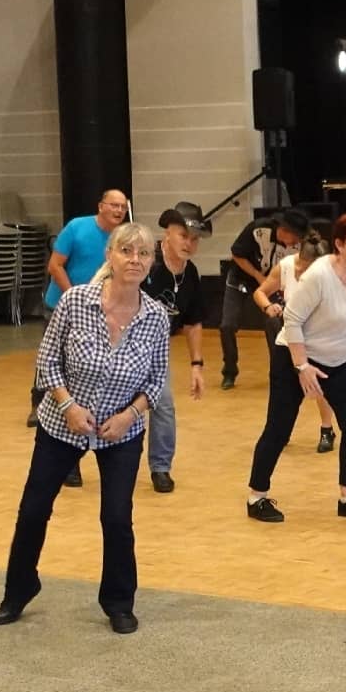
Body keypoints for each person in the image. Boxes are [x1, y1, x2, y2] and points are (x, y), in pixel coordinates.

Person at [0, 222, 168, 635]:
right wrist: (68, 405)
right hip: (63, 424)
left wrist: (130, 415)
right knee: (34, 510)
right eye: (126, 251)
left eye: (143, 254)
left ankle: (118, 601)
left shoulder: (156, 316)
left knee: (116, 517)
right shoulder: (76, 301)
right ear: (109, 255)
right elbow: (47, 361)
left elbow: (157, 379)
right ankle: (18, 591)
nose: (135, 260)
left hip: (120, 431)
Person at [244, 214, 346, 524]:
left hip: (338, 359)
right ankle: (256, 497)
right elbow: (291, 321)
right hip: (292, 357)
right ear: (339, 244)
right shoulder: (319, 276)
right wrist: (302, 366)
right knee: (279, 429)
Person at [27, 189, 128, 492]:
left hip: (102, 313)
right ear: (101, 206)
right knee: (58, 367)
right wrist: (75, 298)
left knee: (86, 376)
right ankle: (42, 407)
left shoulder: (124, 239)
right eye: (114, 205)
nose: (119, 210)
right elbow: (55, 266)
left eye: (123, 206)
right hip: (62, 305)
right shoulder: (77, 228)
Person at [140, 202, 212, 494]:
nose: (189, 244)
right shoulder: (144, 263)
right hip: (120, 347)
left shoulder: (190, 274)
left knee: (164, 406)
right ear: (166, 233)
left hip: (157, 352)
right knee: (103, 406)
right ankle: (72, 455)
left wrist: (197, 365)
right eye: (183, 236)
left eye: (194, 239)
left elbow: (193, 322)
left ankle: (161, 468)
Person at [252, 231, 338, 454]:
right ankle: (278, 430)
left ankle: (327, 430)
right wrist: (268, 307)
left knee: (320, 386)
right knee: (281, 389)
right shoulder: (286, 266)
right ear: (301, 260)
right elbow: (260, 292)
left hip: (319, 338)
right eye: (307, 269)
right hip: (289, 338)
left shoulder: (331, 274)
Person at [220, 208, 307, 390]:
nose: (295, 242)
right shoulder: (258, 230)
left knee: (273, 322)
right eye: (294, 237)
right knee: (228, 324)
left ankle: (278, 373)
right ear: (284, 230)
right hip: (242, 278)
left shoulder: (298, 247)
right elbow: (237, 254)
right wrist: (257, 275)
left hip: (272, 283)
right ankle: (229, 370)